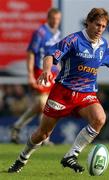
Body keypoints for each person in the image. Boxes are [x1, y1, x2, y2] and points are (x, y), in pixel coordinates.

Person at [8, 8, 109, 173]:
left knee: (100, 118)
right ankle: (22, 159)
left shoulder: (103, 45)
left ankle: (71, 155)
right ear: (88, 22)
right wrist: (46, 70)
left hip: (86, 94)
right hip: (63, 92)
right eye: (97, 24)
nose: (100, 29)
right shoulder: (73, 40)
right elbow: (50, 55)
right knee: (43, 134)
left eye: (103, 26)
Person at [10, 8, 62, 144]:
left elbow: (57, 55)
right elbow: (31, 53)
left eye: (58, 20)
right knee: (43, 104)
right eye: (54, 19)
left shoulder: (57, 34)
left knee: (40, 106)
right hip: (40, 71)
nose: (56, 22)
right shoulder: (40, 33)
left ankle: (17, 126)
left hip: (53, 73)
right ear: (48, 18)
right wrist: (30, 75)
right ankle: (44, 138)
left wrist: (60, 71)